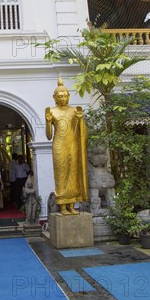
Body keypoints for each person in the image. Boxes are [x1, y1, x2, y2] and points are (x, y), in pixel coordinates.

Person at [45, 77, 89, 215]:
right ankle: (62, 206)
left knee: (73, 174)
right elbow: (48, 135)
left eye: (65, 96)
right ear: (54, 97)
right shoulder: (51, 111)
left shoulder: (74, 111)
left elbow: (83, 133)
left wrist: (81, 120)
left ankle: (72, 205)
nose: (63, 98)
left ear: (69, 96)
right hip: (59, 145)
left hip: (72, 145)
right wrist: (48, 122)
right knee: (61, 174)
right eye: (60, 96)